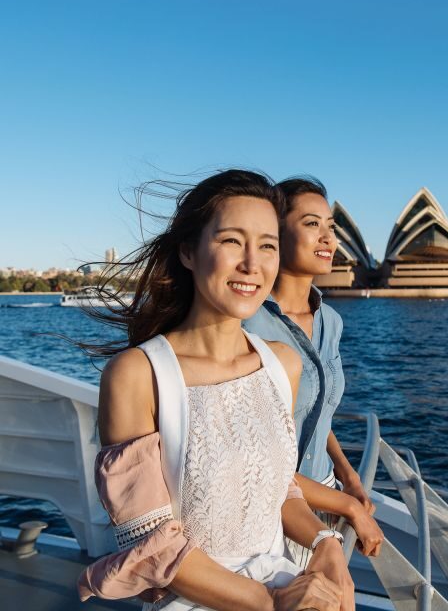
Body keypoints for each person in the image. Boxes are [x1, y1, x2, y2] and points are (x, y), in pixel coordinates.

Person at [76, 170, 353, 611]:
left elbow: (278, 488)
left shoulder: (283, 363)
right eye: (231, 241)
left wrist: (325, 542)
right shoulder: (137, 375)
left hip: (283, 584)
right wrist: (272, 601)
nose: (252, 264)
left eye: (267, 245)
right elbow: (152, 543)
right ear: (188, 251)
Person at [243, 177, 383, 568]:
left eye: (331, 227)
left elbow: (315, 413)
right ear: (275, 233)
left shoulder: (330, 321)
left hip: (324, 494)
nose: (328, 238)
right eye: (311, 224)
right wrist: (348, 507)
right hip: (267, 509)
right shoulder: (248, 323)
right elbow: (252, 456)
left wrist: (348, 476)